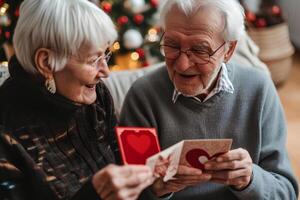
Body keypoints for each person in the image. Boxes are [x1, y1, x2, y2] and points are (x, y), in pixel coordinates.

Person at [120, 0, 299, 199]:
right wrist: (156, 190)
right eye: (172, 44)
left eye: (199, 50)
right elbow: (128, 193)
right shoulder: (142, 96)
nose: (182, 64)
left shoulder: (259, 89)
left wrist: (250, 180)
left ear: (229, 50)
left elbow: (286, 193)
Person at [0, 0, 156, 199]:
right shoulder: (6, 133)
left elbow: (125, 170)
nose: (106, 72)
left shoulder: (96, 95)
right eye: (93, 60)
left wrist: (154, 189)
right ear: (46, 62)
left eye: (106, 55)